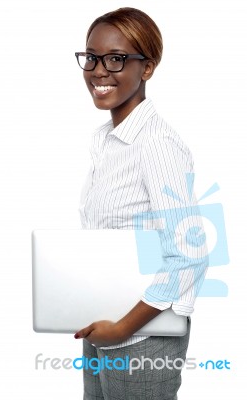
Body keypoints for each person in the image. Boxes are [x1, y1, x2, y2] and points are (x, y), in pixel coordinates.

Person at [73, 7, 207, 400]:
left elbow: (190, 253)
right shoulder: (105, 141)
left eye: (116, 59)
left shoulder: (156, 144)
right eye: (91, 57)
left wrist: (122, 329)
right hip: (102, 324)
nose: (98, 70)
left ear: (146, 68)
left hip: (142, 337)